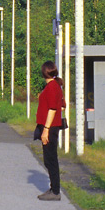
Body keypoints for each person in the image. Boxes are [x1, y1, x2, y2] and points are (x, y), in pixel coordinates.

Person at [34, 60, 66, 201]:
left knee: (51, 159)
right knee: (49, 159)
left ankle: (55, 191)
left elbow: (53, 108)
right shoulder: (54, 86)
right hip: (49, 126)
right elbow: (62, 106)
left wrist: (46, 129)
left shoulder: (52, 87)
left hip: (50, 127)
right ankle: (54, 188)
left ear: (44, 72)